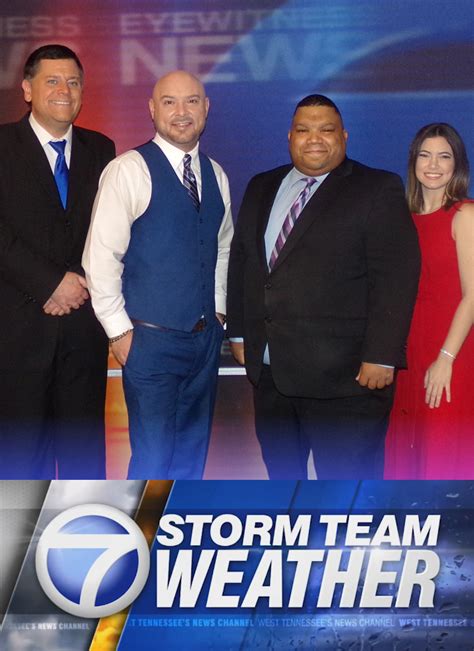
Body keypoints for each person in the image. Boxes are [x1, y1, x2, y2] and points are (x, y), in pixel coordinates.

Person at [227, 94, 420, 480]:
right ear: (290, 137)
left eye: (326, 129)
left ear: (344, 137)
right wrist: (239, 333)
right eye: (303, 130)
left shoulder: (376, 188)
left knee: (346, 494)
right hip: (273, 377)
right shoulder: (262, 186)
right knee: (283, 487)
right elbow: (243, 262)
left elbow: (396, 276)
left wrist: (382, 355)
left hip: (346, 382)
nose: (314, 138)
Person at [83, 70, 233, 479]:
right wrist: (119, 333)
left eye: (191, 101)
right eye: (169, 102)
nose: (181, 112)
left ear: (206, 108)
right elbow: (101, 258)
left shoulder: (216, 174)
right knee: (152, 460)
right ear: (152, 109)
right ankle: (143, 523)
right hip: (149, 342)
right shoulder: (128, 170)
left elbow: (222, 247)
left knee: (191, 459)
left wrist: (218, 311)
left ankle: (180, 522)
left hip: (204, 341)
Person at [0, 44, 115, 479]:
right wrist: (50, 283)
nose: (64, 90)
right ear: (27, 89)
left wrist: (77, 283)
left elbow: (109, 232)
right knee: (20, 467)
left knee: (85, 466)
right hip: (17, 335)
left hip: (83, 333)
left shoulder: (101, 149)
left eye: (73, 82)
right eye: (52, 81)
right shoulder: (2, 146)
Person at [385, 123, 474, 479]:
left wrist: (446, 359)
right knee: (409, 456)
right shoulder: (402, 219)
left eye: (444, 156)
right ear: (413, 162)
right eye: (425, 155)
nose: (433, 165)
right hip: (410, 355)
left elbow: (472, 295)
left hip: (452, 353)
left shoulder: (465, 215)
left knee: (442, 454)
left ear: (458, 165)